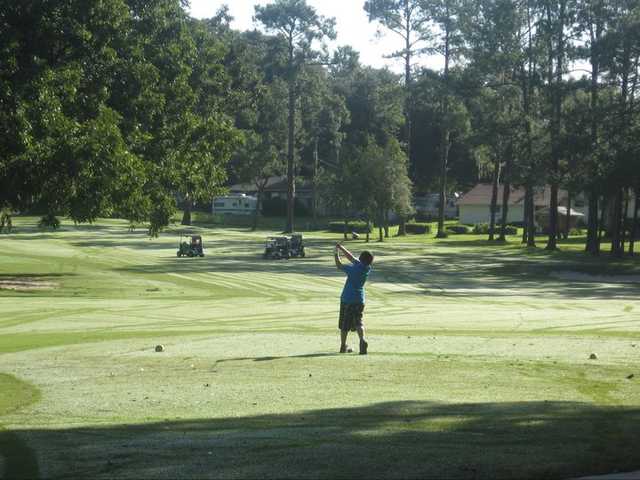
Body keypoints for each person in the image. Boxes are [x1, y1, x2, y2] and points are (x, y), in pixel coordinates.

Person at [334, 243, 374, 355]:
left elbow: (339, 265)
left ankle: (343, 346)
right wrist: (342, 248)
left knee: (344, 324)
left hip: (347, 299)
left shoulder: (354, 269)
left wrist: (336, 253)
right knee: (358, 322)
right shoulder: (366, 268)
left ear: (361, 259)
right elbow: (351, 258)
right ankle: (362, 340)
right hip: (359, 300)